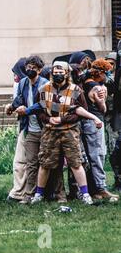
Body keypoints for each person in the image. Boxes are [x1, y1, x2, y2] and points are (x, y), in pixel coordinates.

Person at [31, 61, 93, 205]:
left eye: (61, 72)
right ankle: (38, 195)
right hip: (50, 131)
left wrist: (63, 119)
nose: (58, 74)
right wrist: (48, 119)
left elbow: (82, 112)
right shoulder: (43, 89)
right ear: (51, 73)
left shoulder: (76, 90)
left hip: (69, 131)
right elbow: (37, 109)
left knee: (76, 163)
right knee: (45, 163)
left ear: (67, 73)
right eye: (55, 72)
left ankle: (85, 194)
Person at [5, 56, 49, 203]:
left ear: (40, 70)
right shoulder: (23, 83)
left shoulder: (45, 84)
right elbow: (19, 100)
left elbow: (43, 104)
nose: (30, 70)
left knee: (46, 162)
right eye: (28, 67)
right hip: (27, 127)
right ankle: (21, 193)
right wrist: (11, 107)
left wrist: (28, 110)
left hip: (44, 127)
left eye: (33, 68)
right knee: (23, 162)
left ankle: (46, 192)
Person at [81, 59, 119, 200]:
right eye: (107, 72)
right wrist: (102, 101)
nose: (108, 75)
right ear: (100, 73)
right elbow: (103, 109)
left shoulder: (85, 83)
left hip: (86, 122)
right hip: (94, 122)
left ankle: (93, 188)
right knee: (98, 154)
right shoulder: (97, 87)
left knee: (91, 156)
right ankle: (100, 188)